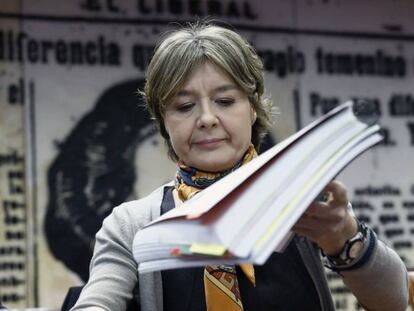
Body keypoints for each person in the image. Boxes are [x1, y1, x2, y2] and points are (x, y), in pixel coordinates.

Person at [71, 22, 409, 311]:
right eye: (184, 106)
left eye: (225, 101)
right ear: (163, 121)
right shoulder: (131, 225)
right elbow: (98, 300)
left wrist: (344, 235)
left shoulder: (303, 194)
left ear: (253, 107)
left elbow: (394, 301)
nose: (206, 119)